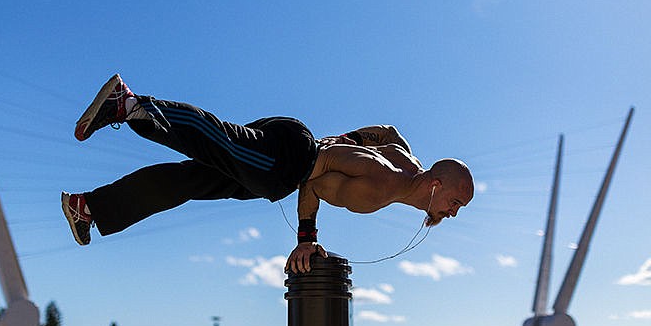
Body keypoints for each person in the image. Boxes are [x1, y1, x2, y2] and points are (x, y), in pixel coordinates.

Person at [62, 74, 474, 274]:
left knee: (187, 180)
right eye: (455, 202)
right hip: (287, 164)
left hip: (291, 152)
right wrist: (307, 240)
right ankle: (130, 104)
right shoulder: (386, 181)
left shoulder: (404, 157)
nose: (453, 212)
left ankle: (91, 209)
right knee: (215, 139)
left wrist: (347, 137)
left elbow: (388, 131)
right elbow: (315, 178)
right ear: (436, 185)